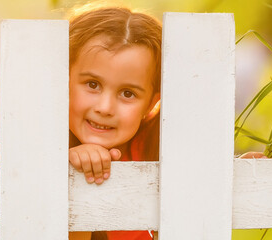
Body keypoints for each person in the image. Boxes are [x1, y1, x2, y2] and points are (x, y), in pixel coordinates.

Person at [66, 3, 161, 240]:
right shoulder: (36, 151)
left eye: (127, 93)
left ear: (151, 104)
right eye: (92, 84)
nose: (105, 108)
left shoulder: (158, 152)